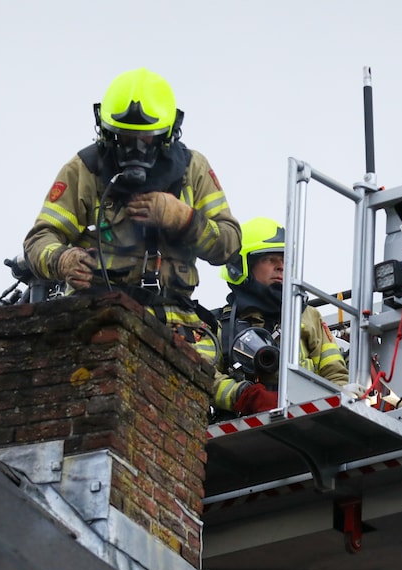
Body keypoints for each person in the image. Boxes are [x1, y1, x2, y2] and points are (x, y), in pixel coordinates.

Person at [23, 68, 240, 362]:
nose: (135, 148)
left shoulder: (193, 170)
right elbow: (39, 238)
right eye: (124, 138)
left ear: (168, 133)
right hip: (98, 313)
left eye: (147, 138)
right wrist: (62, 259)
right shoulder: (85, 169)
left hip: (175, 323)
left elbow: (229, 244)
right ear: (106, 131)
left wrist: (184, 219)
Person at [213, 217, 349, 416]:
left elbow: (336, 376)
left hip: (307, 422)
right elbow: (201, 375)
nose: (281, 266)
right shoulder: (220, 326)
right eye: (269, 259)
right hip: (241, 429)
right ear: (241, 265)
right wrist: (243, 395)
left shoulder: (307, 316)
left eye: (285, 260)